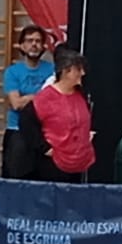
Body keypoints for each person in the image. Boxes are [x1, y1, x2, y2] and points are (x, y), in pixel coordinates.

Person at [33, 47, 95, 180]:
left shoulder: (81, 94)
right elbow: (28, 125)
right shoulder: (45, 98)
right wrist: (45, 148)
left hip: (79, 160)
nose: (83, 73)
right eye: (78, 69)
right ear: (66, 71)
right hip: (55, 163)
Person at [0, 25, 54, 175]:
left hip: (45, 132)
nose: (34, 44)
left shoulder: (52, 70)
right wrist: (41, 95)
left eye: (38, 41)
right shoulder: (12, 72)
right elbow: (16, 104)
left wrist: (27, 98)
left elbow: (56, 102)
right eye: (29, 41)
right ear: (22, 45)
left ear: (43, 46)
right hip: (17, 131)